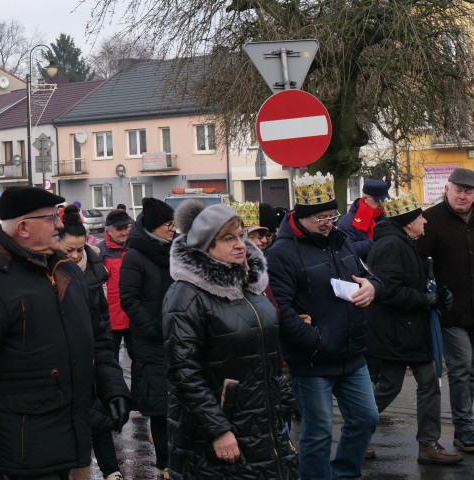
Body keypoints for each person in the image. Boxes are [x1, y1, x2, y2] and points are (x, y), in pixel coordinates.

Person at [0, 186, 130, 480]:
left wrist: (113, 386)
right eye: (51, 218)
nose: (60, 224)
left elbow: (97, 338)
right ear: (23, 228)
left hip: (70, 431)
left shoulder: (66, 269)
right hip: (22, 442)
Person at [163, 200, 297, 480]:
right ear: (206, 246)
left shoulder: (247, 284)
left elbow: (266, 352)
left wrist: (283, 400)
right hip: (221, 429)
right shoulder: (186, 294)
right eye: (227, 238)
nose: (241, 245)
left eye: (240, 236)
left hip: (263, 424)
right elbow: (184, 374)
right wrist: (219, 430)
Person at [266, 173, 380, 480]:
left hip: (352, 354)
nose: (330, 223)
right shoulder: (281, 253)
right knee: (317, 433)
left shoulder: (340, 242)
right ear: (302, 217)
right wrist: (315, 341)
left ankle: (344, 473)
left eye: (333, 216)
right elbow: (281, 309)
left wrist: (372, 287)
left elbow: (367, 276)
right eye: (322, 217)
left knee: (366, 419)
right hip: (313, 358)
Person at [366, 192, 462, 465]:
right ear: (408, 222)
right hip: (397, 332)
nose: (424, 221)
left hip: (406, 331)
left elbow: (405, 285)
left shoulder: (402, 243)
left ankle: (428, 444)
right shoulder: (391, 246)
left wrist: (436, 294)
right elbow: (389, 291)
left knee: (424, 382)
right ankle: (356, 433)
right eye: (420, 217)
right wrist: (425, 299)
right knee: (391, 387)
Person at [59, 219, 123, 480]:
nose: (76, 255)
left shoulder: (93, 275)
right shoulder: (50, 276)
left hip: (91, 361)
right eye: (69, 250)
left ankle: (112, 472)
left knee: (98, 418)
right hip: (62, 368)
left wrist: (114, 383)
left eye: (80, 249)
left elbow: (101, 326)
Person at [417, 166, 474, 453]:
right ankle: (464, 431)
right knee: (462, 367)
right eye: (458, 190)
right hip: (451, 312)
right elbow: (417, 262)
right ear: (447, 190)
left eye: (468, 192)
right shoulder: (431, 219)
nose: (462, 196)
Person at [119, 197, 176, 479]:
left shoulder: (174, 251)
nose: (173, 229)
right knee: (159, 405)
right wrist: (152, 326)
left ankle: (177, 458)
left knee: (179, 399)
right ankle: (163, 464)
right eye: (168, 224)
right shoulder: (135, 255)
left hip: (176, 336)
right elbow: (128, 298)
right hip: (151, 340)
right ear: (153, 227)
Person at [100, 208, 133, 359]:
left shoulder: (133, 247)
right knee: (110, 360)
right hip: (110, 318)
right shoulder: (99, 251)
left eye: (126, 228)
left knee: (139, 359)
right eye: (119, 229)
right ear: (109, 230)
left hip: (132, 316)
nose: (124, 232)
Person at [337, 179, 390, 259]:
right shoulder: (348, 220)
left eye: (384, 200)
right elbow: (346, 248)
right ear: (365, 198)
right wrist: (378, 242)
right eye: (378, 200)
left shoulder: (389, 215)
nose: (382, 204)